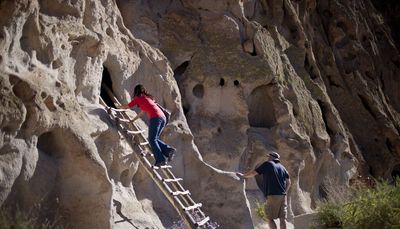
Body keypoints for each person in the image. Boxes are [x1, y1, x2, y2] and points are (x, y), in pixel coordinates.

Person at [117, 84, 175, 167]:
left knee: (152, 139)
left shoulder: (138, 99)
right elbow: (142, 112)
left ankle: (160, 160)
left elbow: (127, 106)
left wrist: (119, 106)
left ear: (136, 92)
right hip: (163, 118)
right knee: (155, 139)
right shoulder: (147, 99)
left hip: (156, 118)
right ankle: (169, 151)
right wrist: (133, 120)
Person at [237, 152, 291, 229]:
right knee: (282, 218)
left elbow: (254, 173)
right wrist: (285, 191)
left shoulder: (268, 164)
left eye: (268, 157)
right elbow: (289, 182)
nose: (267, 158)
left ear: (272, 157)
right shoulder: (283, 167)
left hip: (272, 195)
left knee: (270, 218)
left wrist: (243, 175)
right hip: (283, 196)